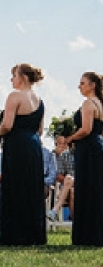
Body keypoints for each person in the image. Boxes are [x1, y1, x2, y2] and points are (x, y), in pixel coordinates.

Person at [0, 63, 46, 245]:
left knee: (16, 187)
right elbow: (40, 130)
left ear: (23, 77)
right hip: (34, 145)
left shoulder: (14, 96)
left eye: (14, 75)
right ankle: (33, 233)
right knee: (31, 187)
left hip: (17, 145)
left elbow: (7, 124)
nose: (11, 79)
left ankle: (16, 234)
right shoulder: (39, 100)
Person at [65, 72, 103, 245]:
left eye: (82, 83)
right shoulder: (100, 104)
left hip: (88, 148)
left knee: (87, 188)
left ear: (92, 85)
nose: (79, 86)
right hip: (97, 146)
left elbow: (86, 129)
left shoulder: (89, 103)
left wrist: (70, 138)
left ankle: (87, 235)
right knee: (95, 189)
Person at [48, 135, 75, 221]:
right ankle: (74, 220)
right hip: (68, 187)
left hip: (84, 183)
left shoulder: (88, 154)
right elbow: (58, 175)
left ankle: (55, 210)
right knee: (71, 188)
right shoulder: (64, 155)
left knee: (69, 180)